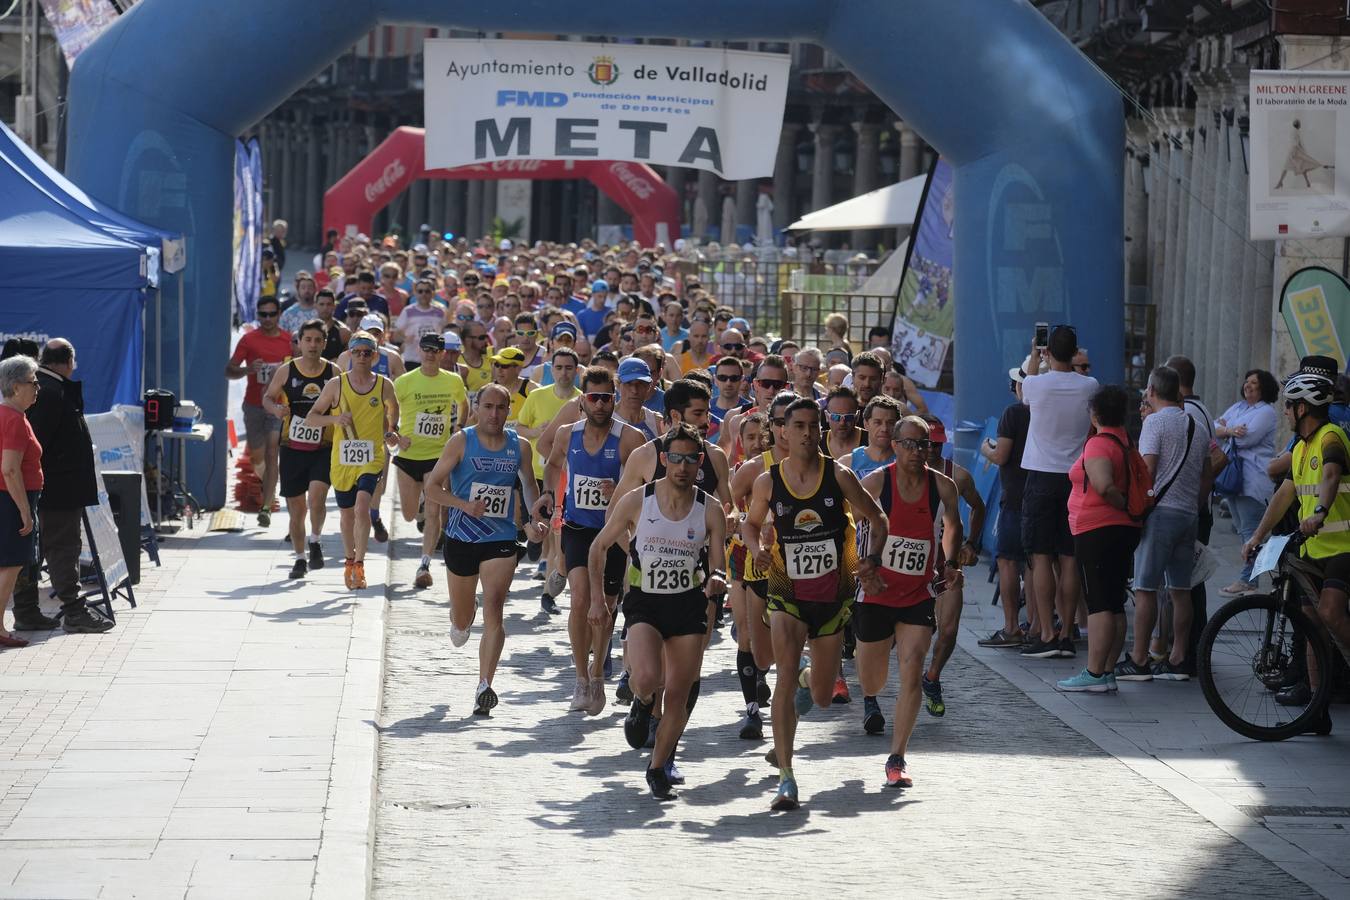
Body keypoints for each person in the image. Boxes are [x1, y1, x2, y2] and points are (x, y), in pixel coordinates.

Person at [743, 397, 888, 811]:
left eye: (813, 425)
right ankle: (786, 777)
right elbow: (750, 524)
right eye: (798, 426)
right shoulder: (769, 481)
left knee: (823, 696)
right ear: (783, 433)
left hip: (833, 596)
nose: (807, 433)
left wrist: (871, 559)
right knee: (784, 677)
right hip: (786, 593)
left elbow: (878, 520)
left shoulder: (838, 476)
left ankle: (812, 681)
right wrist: (757, 549)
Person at [589, 423, 727, 800]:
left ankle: (658, 767)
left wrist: (717, 580)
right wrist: (598, 601)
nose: (683, 466)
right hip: (645, 602)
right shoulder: (638, 500)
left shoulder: (710, 509)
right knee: (648, 677)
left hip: (688, 605)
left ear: (700, 463)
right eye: (676, 458)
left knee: (680, 694)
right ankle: (643, 700)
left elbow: (719, 565)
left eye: (691, 459)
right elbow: (599, 547)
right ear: (664, 459)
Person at [1240, 358, 1350, 733]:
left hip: (1343, 547)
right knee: (1313, 628)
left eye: (1288, 405)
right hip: (1314, 550)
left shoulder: (1330, 437)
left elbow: (1332, 474)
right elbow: (1285, 495)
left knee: (1332, 614)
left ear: (1301, 408)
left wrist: (1319, 511)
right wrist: (1257, 536)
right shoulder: (1301, 448)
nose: (1285, 412)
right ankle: (1317, 711)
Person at [426, 383, 547, 716]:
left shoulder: (519, 446)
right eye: (488, 406)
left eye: (501, 408)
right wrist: (463, 505)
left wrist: (530, 521)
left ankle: (484, 685)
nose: (494, 414)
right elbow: (432, 488)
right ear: (477, 407)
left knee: (496, 606)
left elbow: (527, 486)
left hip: (501, 538)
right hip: (462, 537)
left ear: (509, 411)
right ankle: (464, 615)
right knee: (462, 619)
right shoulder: (461, 441)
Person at [855, 415, 963, 786]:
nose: (919, 452)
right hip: (876, 595)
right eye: (911, 444)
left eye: (926, 445)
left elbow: (952, 527)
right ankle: (869, 695)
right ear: (895, 445)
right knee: (872, 680)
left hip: (918, 595)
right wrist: (863, 567)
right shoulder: (875, 483)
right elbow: (852, 528)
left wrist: (949, 564)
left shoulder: (943, 487)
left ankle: (897, 757)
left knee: (913, 668)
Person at [541, 366, 647, 715]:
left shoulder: (630, 439)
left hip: (613, 532)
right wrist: (549, 496)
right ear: (582, 401)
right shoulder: (567, 435)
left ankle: (598, 672)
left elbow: (647, 487)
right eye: (593, 397)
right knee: (581, 600)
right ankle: (580, 680)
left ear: (614, 399)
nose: (600, 404)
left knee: (606, 606)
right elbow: (554, 464)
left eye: (606, 397)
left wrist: (620, 492)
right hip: (576, 527)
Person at [1114, 367, 1208, 682]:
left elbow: (1147, 470)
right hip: (1188, 514)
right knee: (1181, 590)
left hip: (1160, 514)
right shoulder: (1197, 425)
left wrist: (1136, 508)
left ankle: (1140, 658)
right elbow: (1206, 471)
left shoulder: (1154, 423)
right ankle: (1179, 658)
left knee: (1145, 589)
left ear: (1152, 391)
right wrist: (1195, 503)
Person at [12, 342, 112, 634]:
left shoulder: (49, 390)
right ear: (68, 361)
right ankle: (73, 610)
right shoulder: (50, 392)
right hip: (56, 490)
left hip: (52, 487)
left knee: (39, 550)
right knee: (63, 548)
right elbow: (34, 445)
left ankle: (27, 611)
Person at [1019, 325, 1099, 660]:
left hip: (1040, 475)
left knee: (1040, 557)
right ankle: (1068, 632)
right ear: (1075, 352)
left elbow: (1024, 390)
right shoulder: (1090, 386)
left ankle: (1047, 632)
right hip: (1075, 477)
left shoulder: (1036, 383)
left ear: (1048, 351)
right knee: (1069, 558)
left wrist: (1036, 357)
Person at [1056, 385, 1142, 692]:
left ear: (1095, 414)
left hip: (1097, 530)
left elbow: (1104, 485)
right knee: (1114, 602)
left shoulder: (1097, 445)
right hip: (1121, 531)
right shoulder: (1124, 440)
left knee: (1099, 603)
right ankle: (1107, 671)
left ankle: (1093, 673)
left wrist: (1120, 504)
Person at [304, 331, 400, 591]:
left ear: (375, 356)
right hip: (342, 461)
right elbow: (312, 417)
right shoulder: (336, 385)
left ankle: (360, 563)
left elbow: (393, 406)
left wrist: (392, 430)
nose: (361, 357)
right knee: (347, 515)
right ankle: (349, 561)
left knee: (361, 507)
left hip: (372, 457)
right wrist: (335, 420)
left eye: (367, 353)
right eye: (356, 352)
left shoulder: (383, 384)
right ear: (349, 355)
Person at [916, 419, 984, 715]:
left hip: (946, 566)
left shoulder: (958, 476)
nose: (931, 449)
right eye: (926, 443)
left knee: (948, 631)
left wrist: (972, 543)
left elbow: (979, 507)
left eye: (937, 444)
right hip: (909, 568)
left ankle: (932, 678)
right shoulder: (895, 474)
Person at [263, 321, 338, 579]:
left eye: (318, 340)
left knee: (316, 498)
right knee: (297, 509)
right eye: (308, 340)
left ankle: (315, 539)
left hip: (323, 446)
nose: (313, 345)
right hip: (293, 446)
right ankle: (299, 558)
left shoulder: (333, 372)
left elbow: (345, 401)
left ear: (324, 343)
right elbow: (268, 397)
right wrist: (276, 409)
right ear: (299, 342)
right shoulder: (287, 370)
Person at [393, 333, 467, 589]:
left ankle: (424, 564)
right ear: (419, 350)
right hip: (408, 456)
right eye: (425, 349)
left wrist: (458, 428)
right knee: (409, 513)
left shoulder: (453, 380)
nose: (429, 354)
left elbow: (464, 403)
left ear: (442, 352)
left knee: (435, 511)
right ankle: (422, 502)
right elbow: (386, 408)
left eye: (434, 350)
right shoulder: (404, 382)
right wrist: (394, 433)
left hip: (437, 455)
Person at [515, 347, 582, 603]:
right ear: (550, 370)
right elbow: (520, 426)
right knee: (535, 523)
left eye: (569, 368)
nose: (563, 373)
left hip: (565, 479)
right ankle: (535, 544)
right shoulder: (537, 396)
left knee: (558, 535)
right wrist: (536, 433)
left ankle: (547, 588)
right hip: (536, 472)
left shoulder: (583, 401)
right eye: (559, 367)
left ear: (576, 371)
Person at [226, 296, 293, 527]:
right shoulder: (249, 339)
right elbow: (229, 371)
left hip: (277, 406)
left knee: (272, 451)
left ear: (279, 314)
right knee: (257, 456)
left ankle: (266, 505)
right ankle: (270, 486)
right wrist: (247, 370)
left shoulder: (288, 340)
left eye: (271, 314)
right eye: (262, 314)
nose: (267, 319)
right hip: (254, 405)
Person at [978, 361, 1031, 647]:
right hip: (1049, 496)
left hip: (1016, 496)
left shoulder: (1015, 413)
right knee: (1039, 563)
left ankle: (1011, 627)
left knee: (1008, 561)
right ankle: (1039, 627)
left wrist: (986, 448)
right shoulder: (1055, 411)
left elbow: (1000, 456)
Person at [1215, 369, 1279, 595]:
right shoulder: (1239, 407)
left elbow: (1247, 439)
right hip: (1235, 480)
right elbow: (1215, 428)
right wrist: (1231, 430)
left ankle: (1248, 580)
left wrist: (1226, 430)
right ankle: (1252, 578)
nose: (1248, 386)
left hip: (1253, 479)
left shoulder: (1267, 412)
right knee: (1244, 532)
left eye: (1254, 383)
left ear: (1264, 389)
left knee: (1251, 532)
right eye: (1247, 382)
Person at [0, 356, 43, 648]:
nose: (38, 387)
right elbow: (10, 468)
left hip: (8, 498)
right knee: (10, 566)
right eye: (33, 382)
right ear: (16, 387)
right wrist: (25, 511)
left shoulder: (10, 415)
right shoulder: (14, 419)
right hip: (12, 500)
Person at [392, 278, 449, 364]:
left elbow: (445, 333)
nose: (423, 294)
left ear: (433, 293)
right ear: (415, 293)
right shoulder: (408, 311)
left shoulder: (440, 312)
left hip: (432, 359)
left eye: (427, 291)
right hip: (411, 359)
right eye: (420, 291)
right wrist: (405, 338)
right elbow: (395, 335)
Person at [846, 395, 901, 479]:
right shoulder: (847, 463)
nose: (884, 429)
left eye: (890, 423)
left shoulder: (906, 462)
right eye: (877, 422)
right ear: (866, 424)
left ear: (897, 425)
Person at [823, 386, 863, 459]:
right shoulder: (817, 443)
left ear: (857, 417)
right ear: (827, 416)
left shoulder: (871, 442)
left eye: (848, 417)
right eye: (836, 417)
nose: (842, 423)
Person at [278, 271, 318, 335]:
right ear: (298, 290)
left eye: (310, 287)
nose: (307, 290)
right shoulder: (288, 314)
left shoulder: (322, 311)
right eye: (303, 288)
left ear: (315, 290)